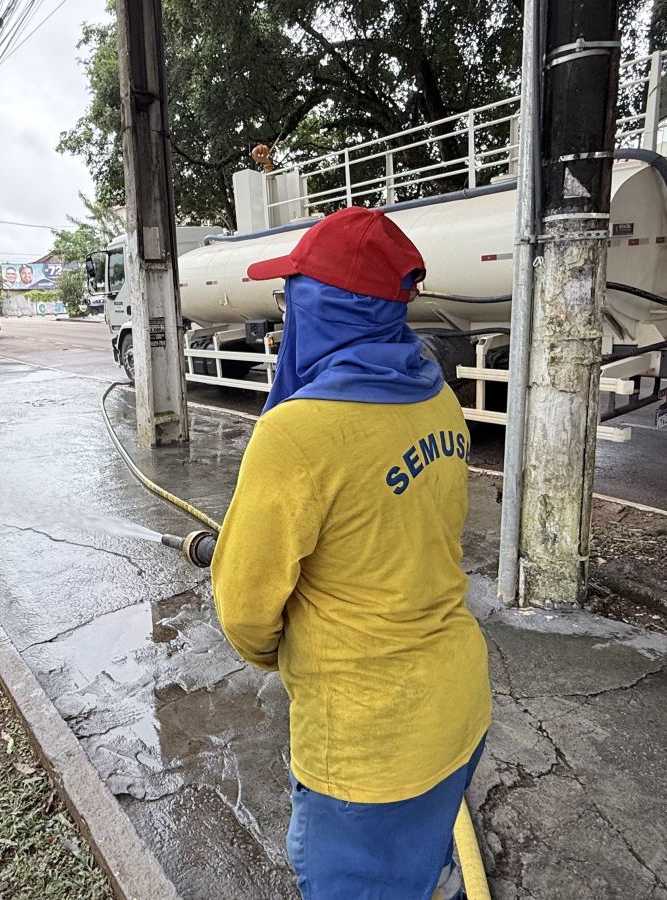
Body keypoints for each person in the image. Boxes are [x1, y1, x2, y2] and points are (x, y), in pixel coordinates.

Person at [211, 206, 491, 900]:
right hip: (459, 709)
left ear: (322, 308)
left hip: (370, 751)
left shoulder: (297, 435)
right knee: (422, 874)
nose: (283, 315)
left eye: (291, 297)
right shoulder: (434, 397)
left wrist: (292, 650)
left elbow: (246, 614)